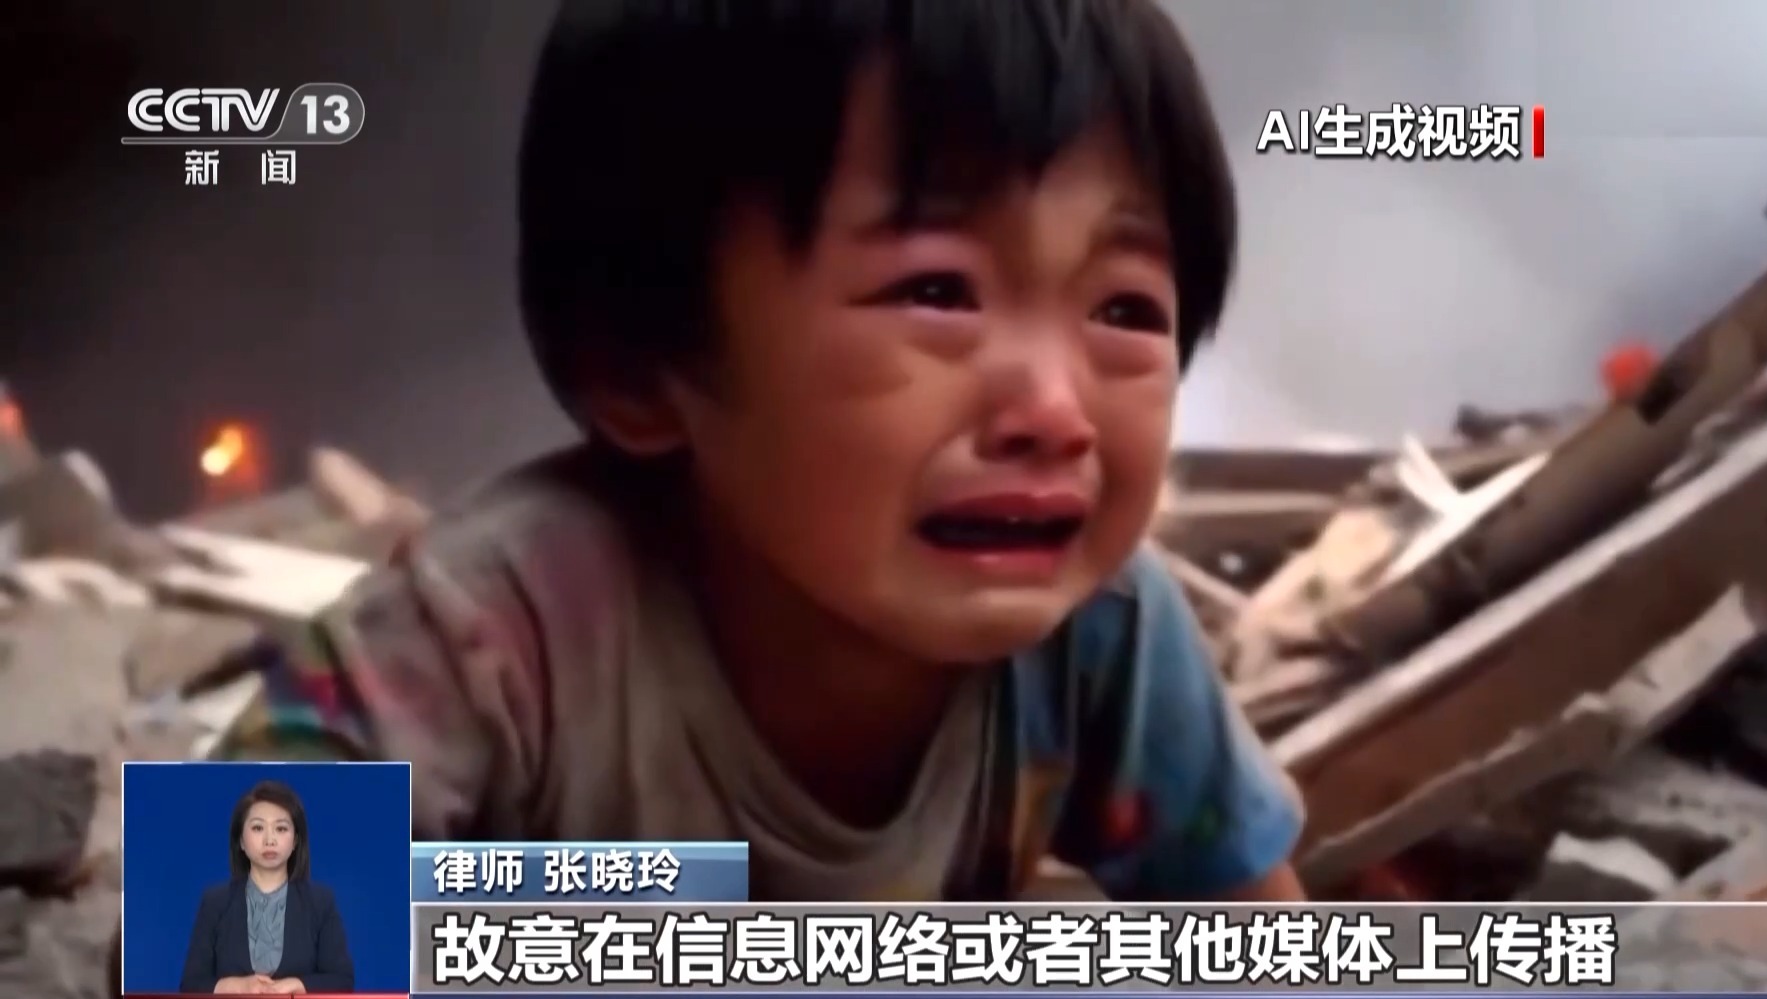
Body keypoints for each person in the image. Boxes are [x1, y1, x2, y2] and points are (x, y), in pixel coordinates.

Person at [220, 0, 1308, 901]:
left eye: (1124, 308)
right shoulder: (494, 633)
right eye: (938, 291)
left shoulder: (1103, 638)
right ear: (640, 366)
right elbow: (203, 929)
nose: (1056, 411)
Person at [179, 781, 355, 994]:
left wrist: (296, 985)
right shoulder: (215, 902)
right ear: (241, 841)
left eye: (281, 828)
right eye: (258, 828)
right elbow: (191, 985)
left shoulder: (320, 902)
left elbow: (342, 980)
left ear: (295, 840)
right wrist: (238, 986)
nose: (269, 840)